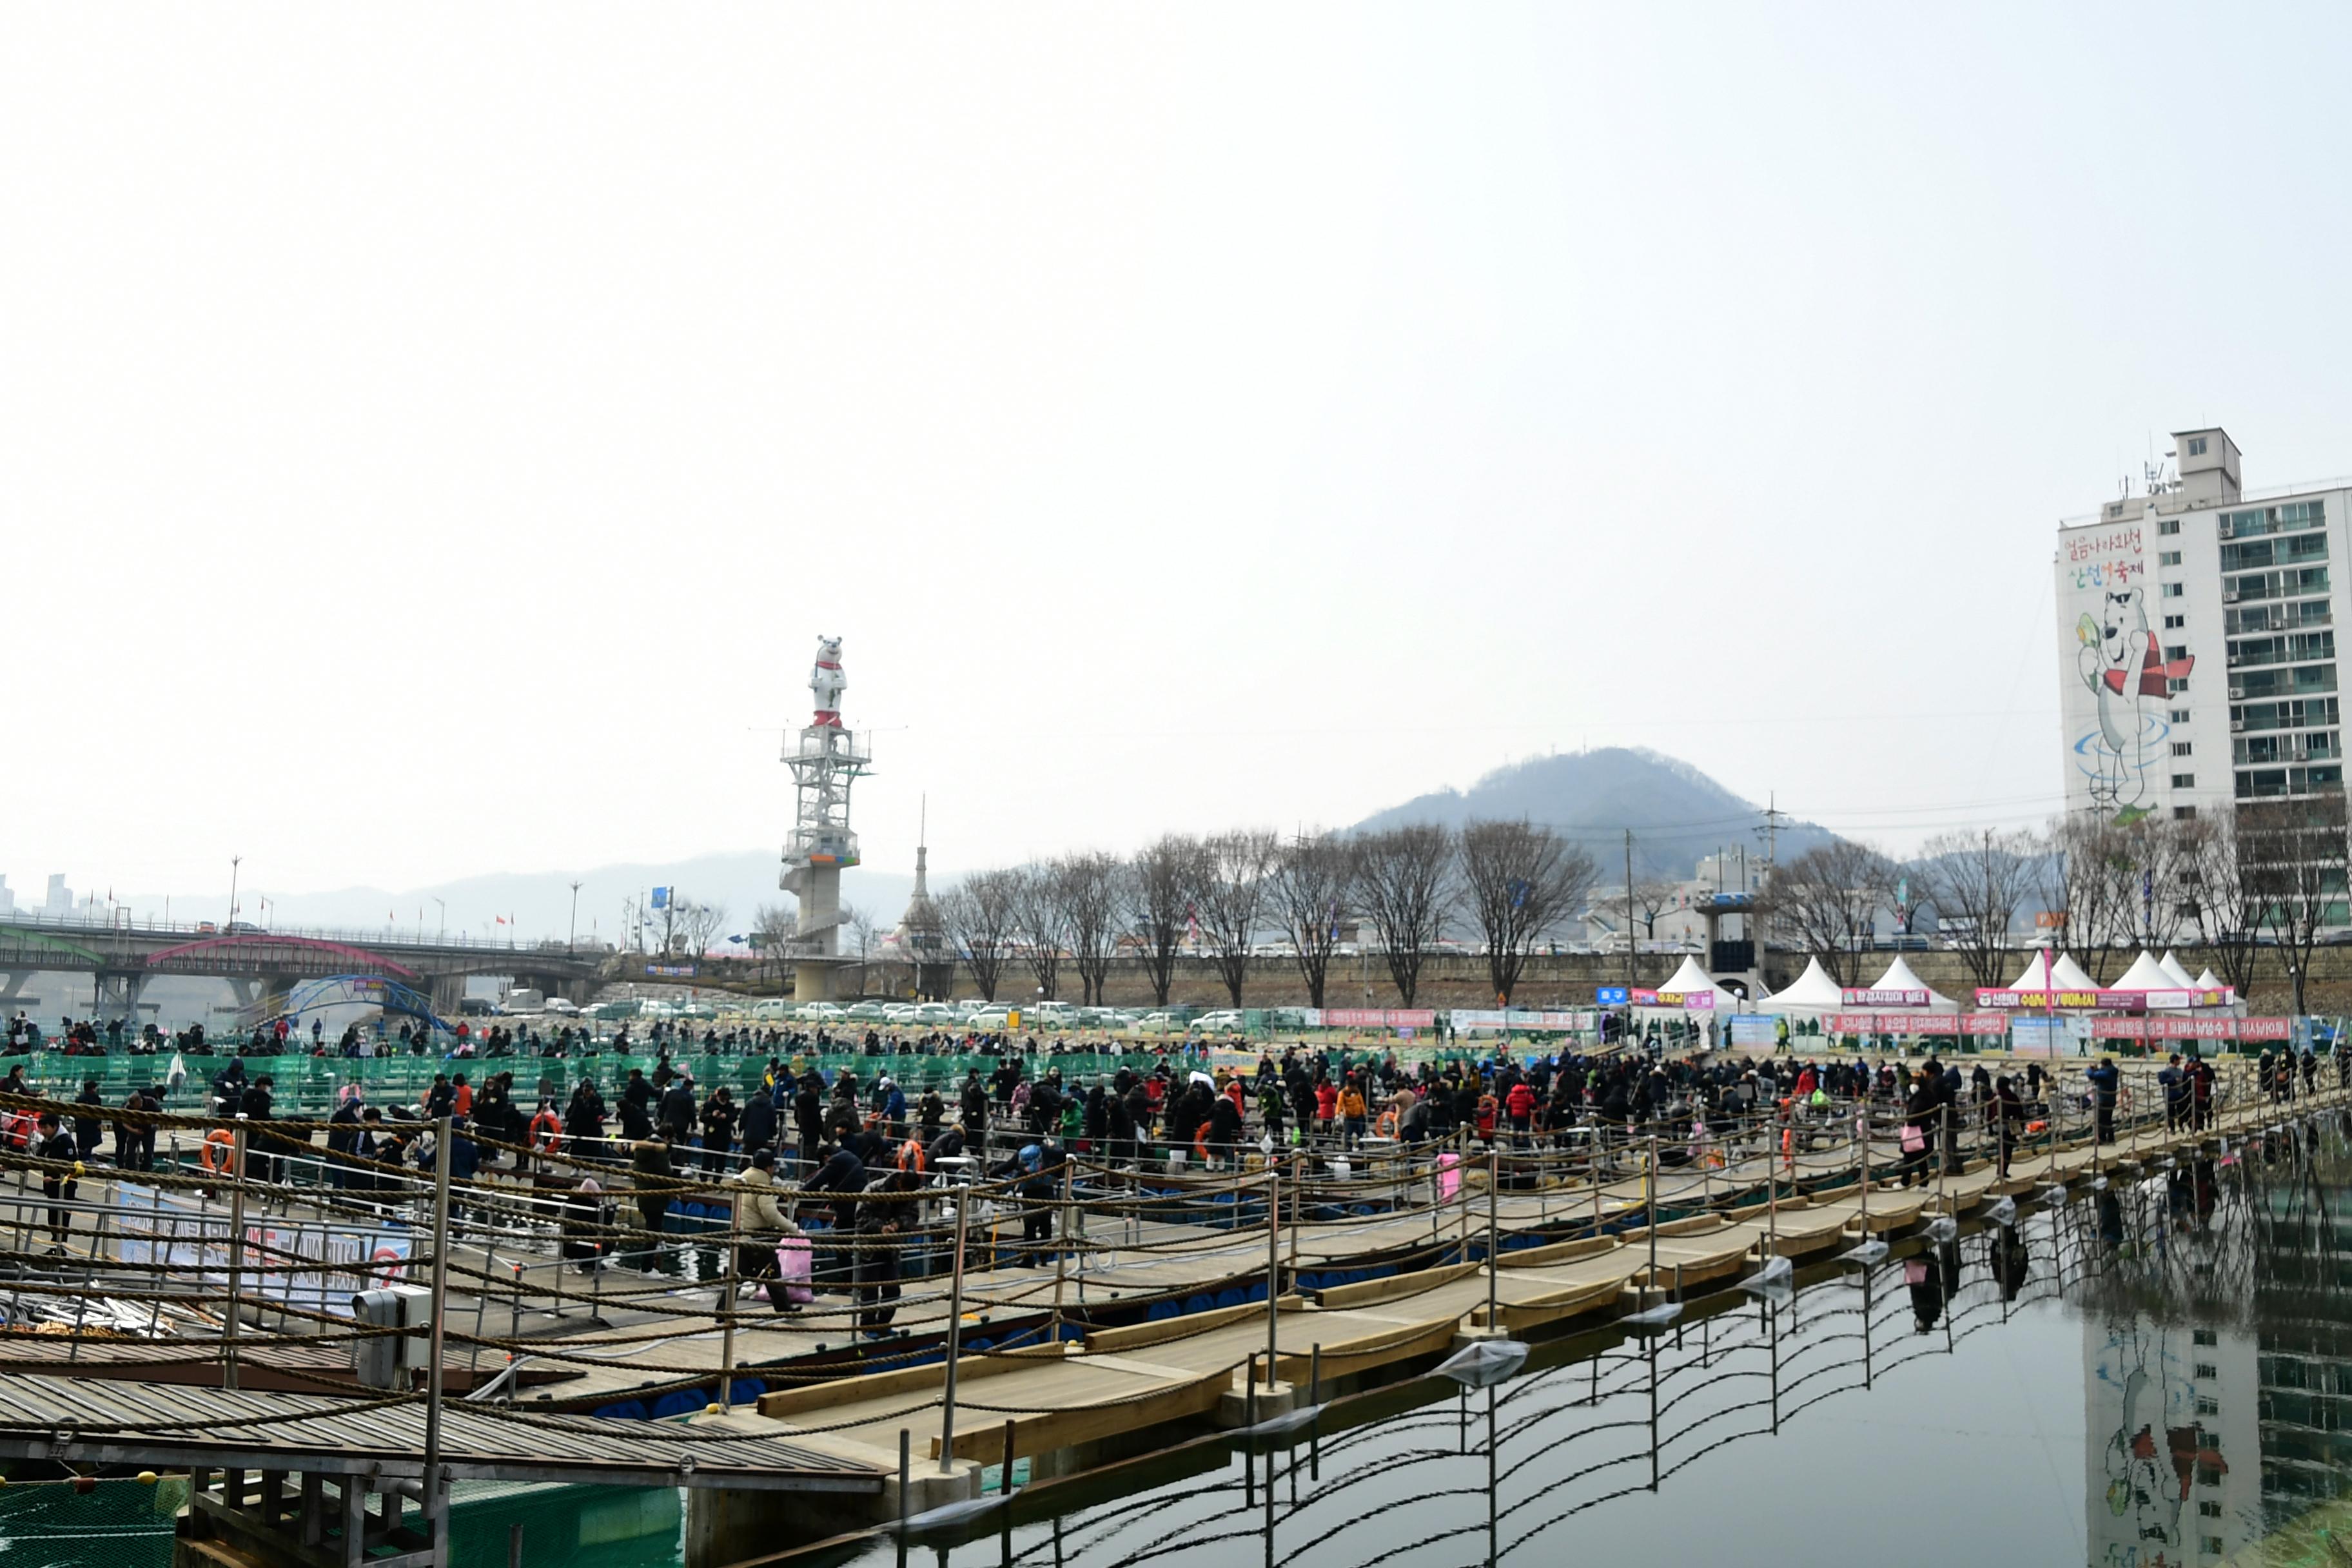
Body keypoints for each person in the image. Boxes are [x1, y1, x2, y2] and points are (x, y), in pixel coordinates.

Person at [34, 1112, 77, 1251]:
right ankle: (55, 1246)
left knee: (62, 1220)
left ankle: (60, 1249)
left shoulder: (66, 1142)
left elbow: (72, 1166)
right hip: (52, 1188)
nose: (42, 1131)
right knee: (52, 1219)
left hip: (65, 1187)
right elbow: (37, 1160)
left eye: (45, 1128)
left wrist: (54, 1178)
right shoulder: (47, 1142)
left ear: (55, 1127)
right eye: (41, 1128)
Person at [2086, 1057, 2120, 1144]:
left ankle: (2102, 1139)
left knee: (2101, 1120)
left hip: (2104, 1100)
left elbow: (2092, 1076)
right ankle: (2110, 1139)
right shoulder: (2112, 1071)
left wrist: (2089, 1069)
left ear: (2103, 1065)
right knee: (2108, 1120)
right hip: (2111, 1099)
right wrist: (2097, 1070)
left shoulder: (2107, 1073)